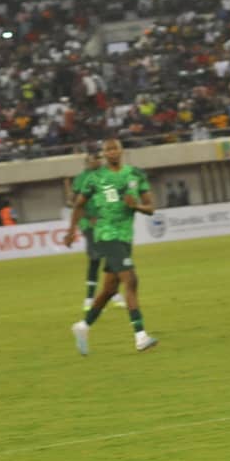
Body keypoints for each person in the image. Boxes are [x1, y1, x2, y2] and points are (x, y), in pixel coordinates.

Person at [64, 138, 158, 354]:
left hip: (125, 236)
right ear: (104, 154)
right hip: (106, 234)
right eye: (108, 149)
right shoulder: (95, 178)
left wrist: (137, 206)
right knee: (131, 279)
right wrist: (71, 231)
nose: (112, 152)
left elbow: (151, 208)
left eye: (115, 148)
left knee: (109, 290)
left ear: (121, 151)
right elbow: (79, 204)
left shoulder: (135, 174)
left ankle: (83, 326)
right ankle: (140, 336)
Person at [65, 147, 126, 312]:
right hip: (88, 223)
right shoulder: (81, 178)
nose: (98, 161)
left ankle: (111, 294)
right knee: (96, 258)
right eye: (95, 159)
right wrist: (88, 215)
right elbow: (73, 202)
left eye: (99, 158)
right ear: (88, 162)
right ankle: (90, 299)